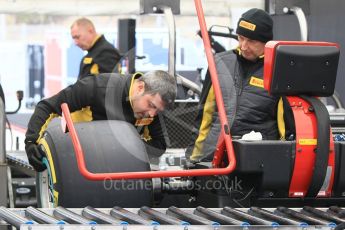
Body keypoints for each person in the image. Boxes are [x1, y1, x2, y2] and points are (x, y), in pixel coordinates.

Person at [186, 8, 293, 162]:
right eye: (240, 38)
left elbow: (286, 127)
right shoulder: (219, 63)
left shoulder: (280, 70)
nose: (243, 46)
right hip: (215, 156)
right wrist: (193, 158)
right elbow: (204, 115)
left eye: (251, 41)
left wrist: (282, 161)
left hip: (258, 158)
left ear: (266, 42)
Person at [25, 70, 177, 171]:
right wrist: (31, 143)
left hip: (117, 170)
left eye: (157, 110)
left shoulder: (152, 110)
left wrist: (128, 147)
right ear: (140, 88)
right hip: (76, 160)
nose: (152, 114)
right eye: (151, 105)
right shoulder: (97, 88)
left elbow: (159, 145)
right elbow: (47, 106)